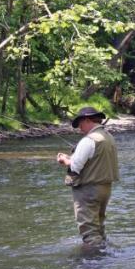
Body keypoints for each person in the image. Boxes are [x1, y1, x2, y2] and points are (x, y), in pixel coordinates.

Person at [56, 106, 119, 249]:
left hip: (89, 190)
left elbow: (76, 166)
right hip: (105, 189)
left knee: (89, 231)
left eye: (80, 124)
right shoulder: (109, 137)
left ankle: (92, 264)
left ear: (87, 120)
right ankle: (104, 256)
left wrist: (64, 160)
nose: (79, 128)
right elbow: (94, 161)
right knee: (99, 227)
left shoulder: (88, 140)